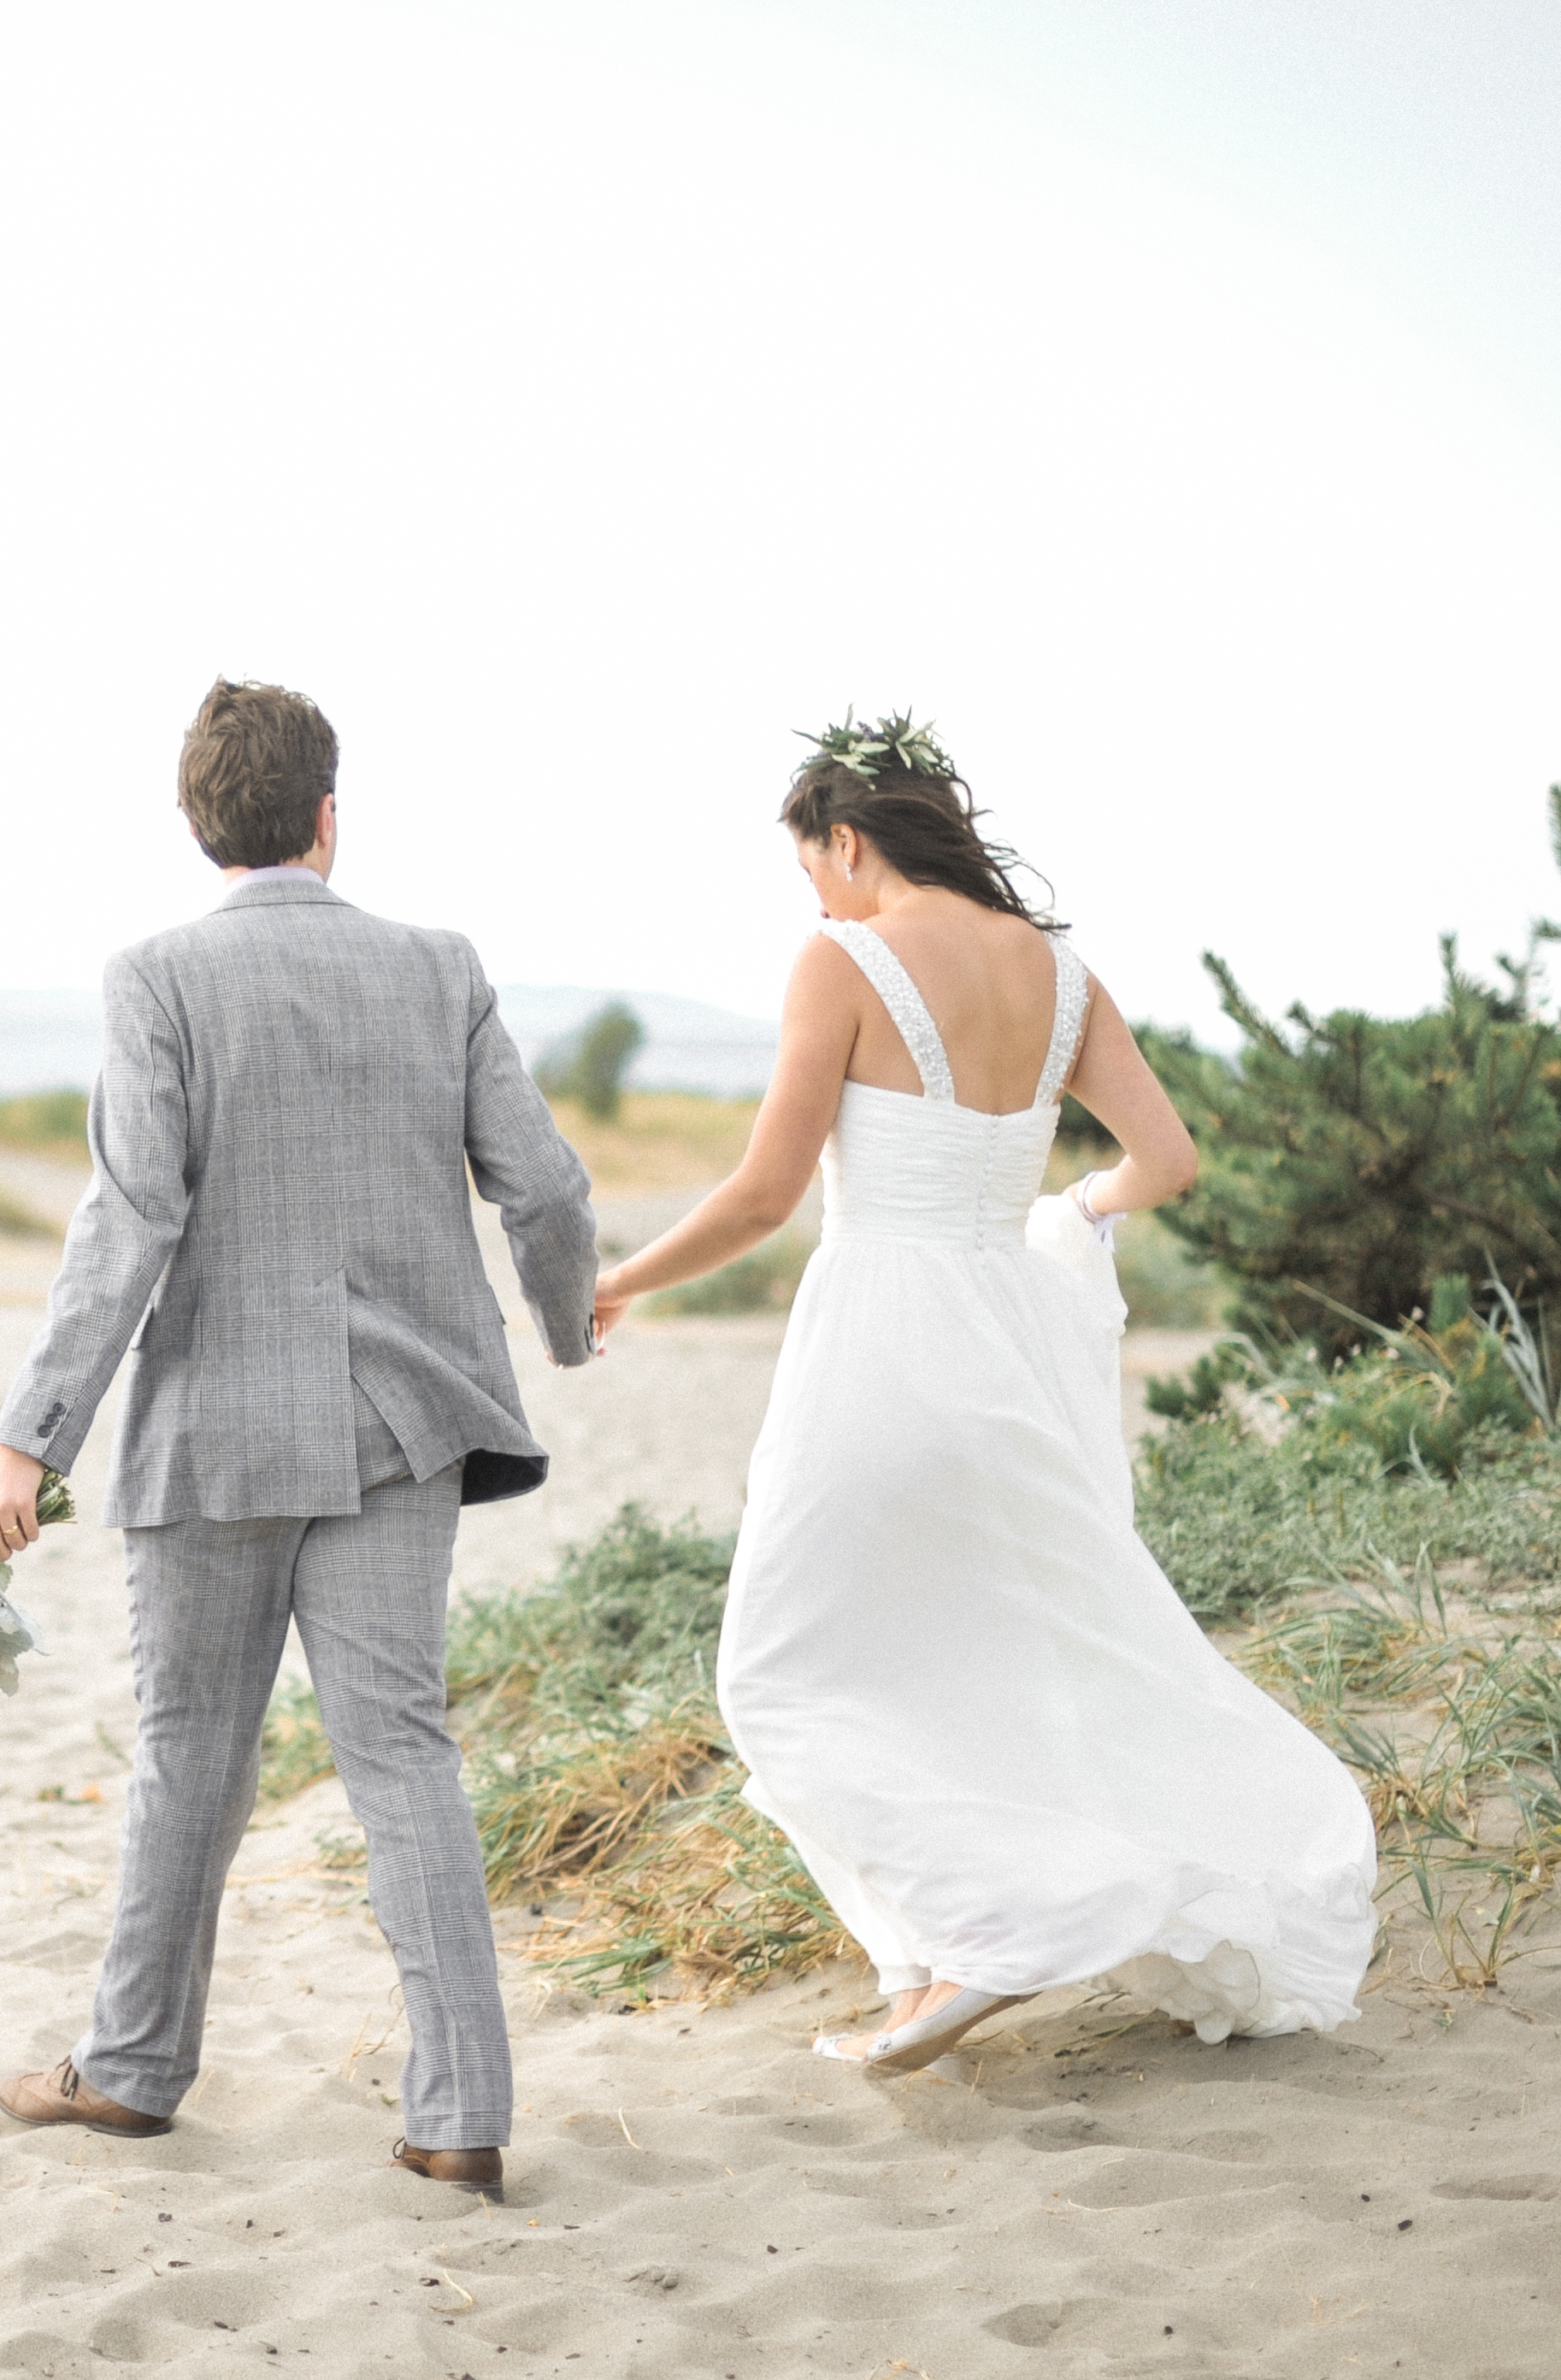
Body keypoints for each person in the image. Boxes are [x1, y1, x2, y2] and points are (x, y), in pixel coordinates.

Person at [589, 717, 1375, 2076]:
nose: (816, 901)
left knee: (777, 1671)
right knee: (988, 1659)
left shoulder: (841, 958)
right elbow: (1168, 1160)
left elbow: (769, 1193)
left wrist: (625, 1279)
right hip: (1008, 1345)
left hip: (883, 1343)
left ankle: (979, 1936)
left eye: (813, 870)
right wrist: (1072, 1204)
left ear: (848, 840)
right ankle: (925, 1970)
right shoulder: (1062, 975)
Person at [0, 678, 598, 2193]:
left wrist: (26, 1446)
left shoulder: (157, 977)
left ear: (201, 827)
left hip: (217, 1437)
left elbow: (130, 1219)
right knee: (403, 1753)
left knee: (192, 1754)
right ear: (328, 815)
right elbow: (550, 1191)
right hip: (403, 1426)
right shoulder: (441, 968)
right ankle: (459, 2118)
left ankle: (128, 2076)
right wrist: (568, 1327)